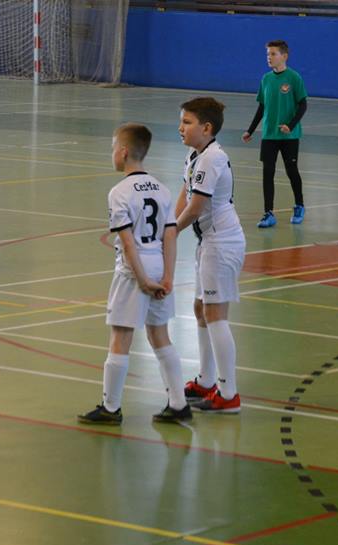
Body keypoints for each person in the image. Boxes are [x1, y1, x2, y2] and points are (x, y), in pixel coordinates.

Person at [78, 123, 190, 425]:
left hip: (134, 271)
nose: (112, 153)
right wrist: (168, 277)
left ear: (124, 152)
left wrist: (142, 280)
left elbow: (128, 243)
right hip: (159, 264)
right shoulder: (162, 189)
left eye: (113, 147)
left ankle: (110, 407)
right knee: (159, 334)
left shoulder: (119, 193)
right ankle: (179, 403)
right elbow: (170, 235)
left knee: (120, 336)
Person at [175, 97, 245, 414]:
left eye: (187, 122)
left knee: (215, 314)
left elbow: (195, 208)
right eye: (181, 121)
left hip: (222, 243)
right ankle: (205, 381)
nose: (181, 128)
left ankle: (228, 393)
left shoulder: (212, 159)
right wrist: (168, 225)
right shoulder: (194, 156)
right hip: (208, 243)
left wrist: (170, 234)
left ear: (206, 128)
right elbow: (184, 195)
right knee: (200, 308)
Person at [243, 40, 308, 229]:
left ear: (284, 56)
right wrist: (250, 130)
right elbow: (261, 107)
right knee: (267, 173)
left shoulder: (294, 78)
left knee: (291, 171)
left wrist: (291, 125)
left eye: (273, 54)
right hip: (269, 135)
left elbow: (303, 105)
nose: (269, 58)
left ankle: (299, 205)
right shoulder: (266, 79)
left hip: (289, 136)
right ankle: (268, 213)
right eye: (268, 54)